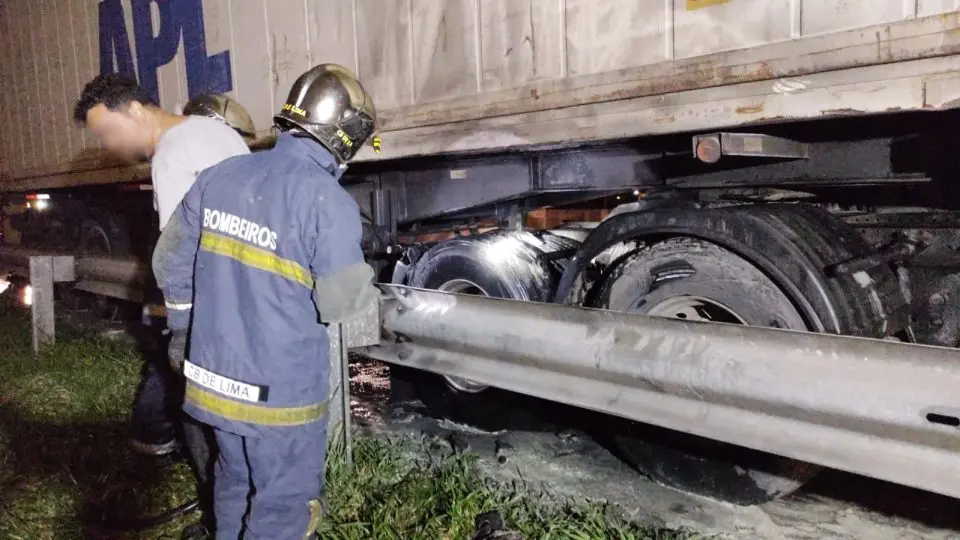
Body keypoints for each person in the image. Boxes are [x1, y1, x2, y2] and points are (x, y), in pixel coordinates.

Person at [153, 63, 380, 539]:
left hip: (213, 382)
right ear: (345, 137)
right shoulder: (327, 201)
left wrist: (180, 329)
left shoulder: (220, 176)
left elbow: (169, 262)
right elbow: (340, 306)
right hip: (280, 401)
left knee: (232, 480)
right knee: (282, 509)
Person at [74, 76, 252, 539]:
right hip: (249, 294)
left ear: (134, 109)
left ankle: (219, 518)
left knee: (198, 412)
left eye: (109, 131)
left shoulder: (173, 153)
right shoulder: (216, 132)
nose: (110, 146)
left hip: (212, 304)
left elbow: (180, 254)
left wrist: (180, 326)